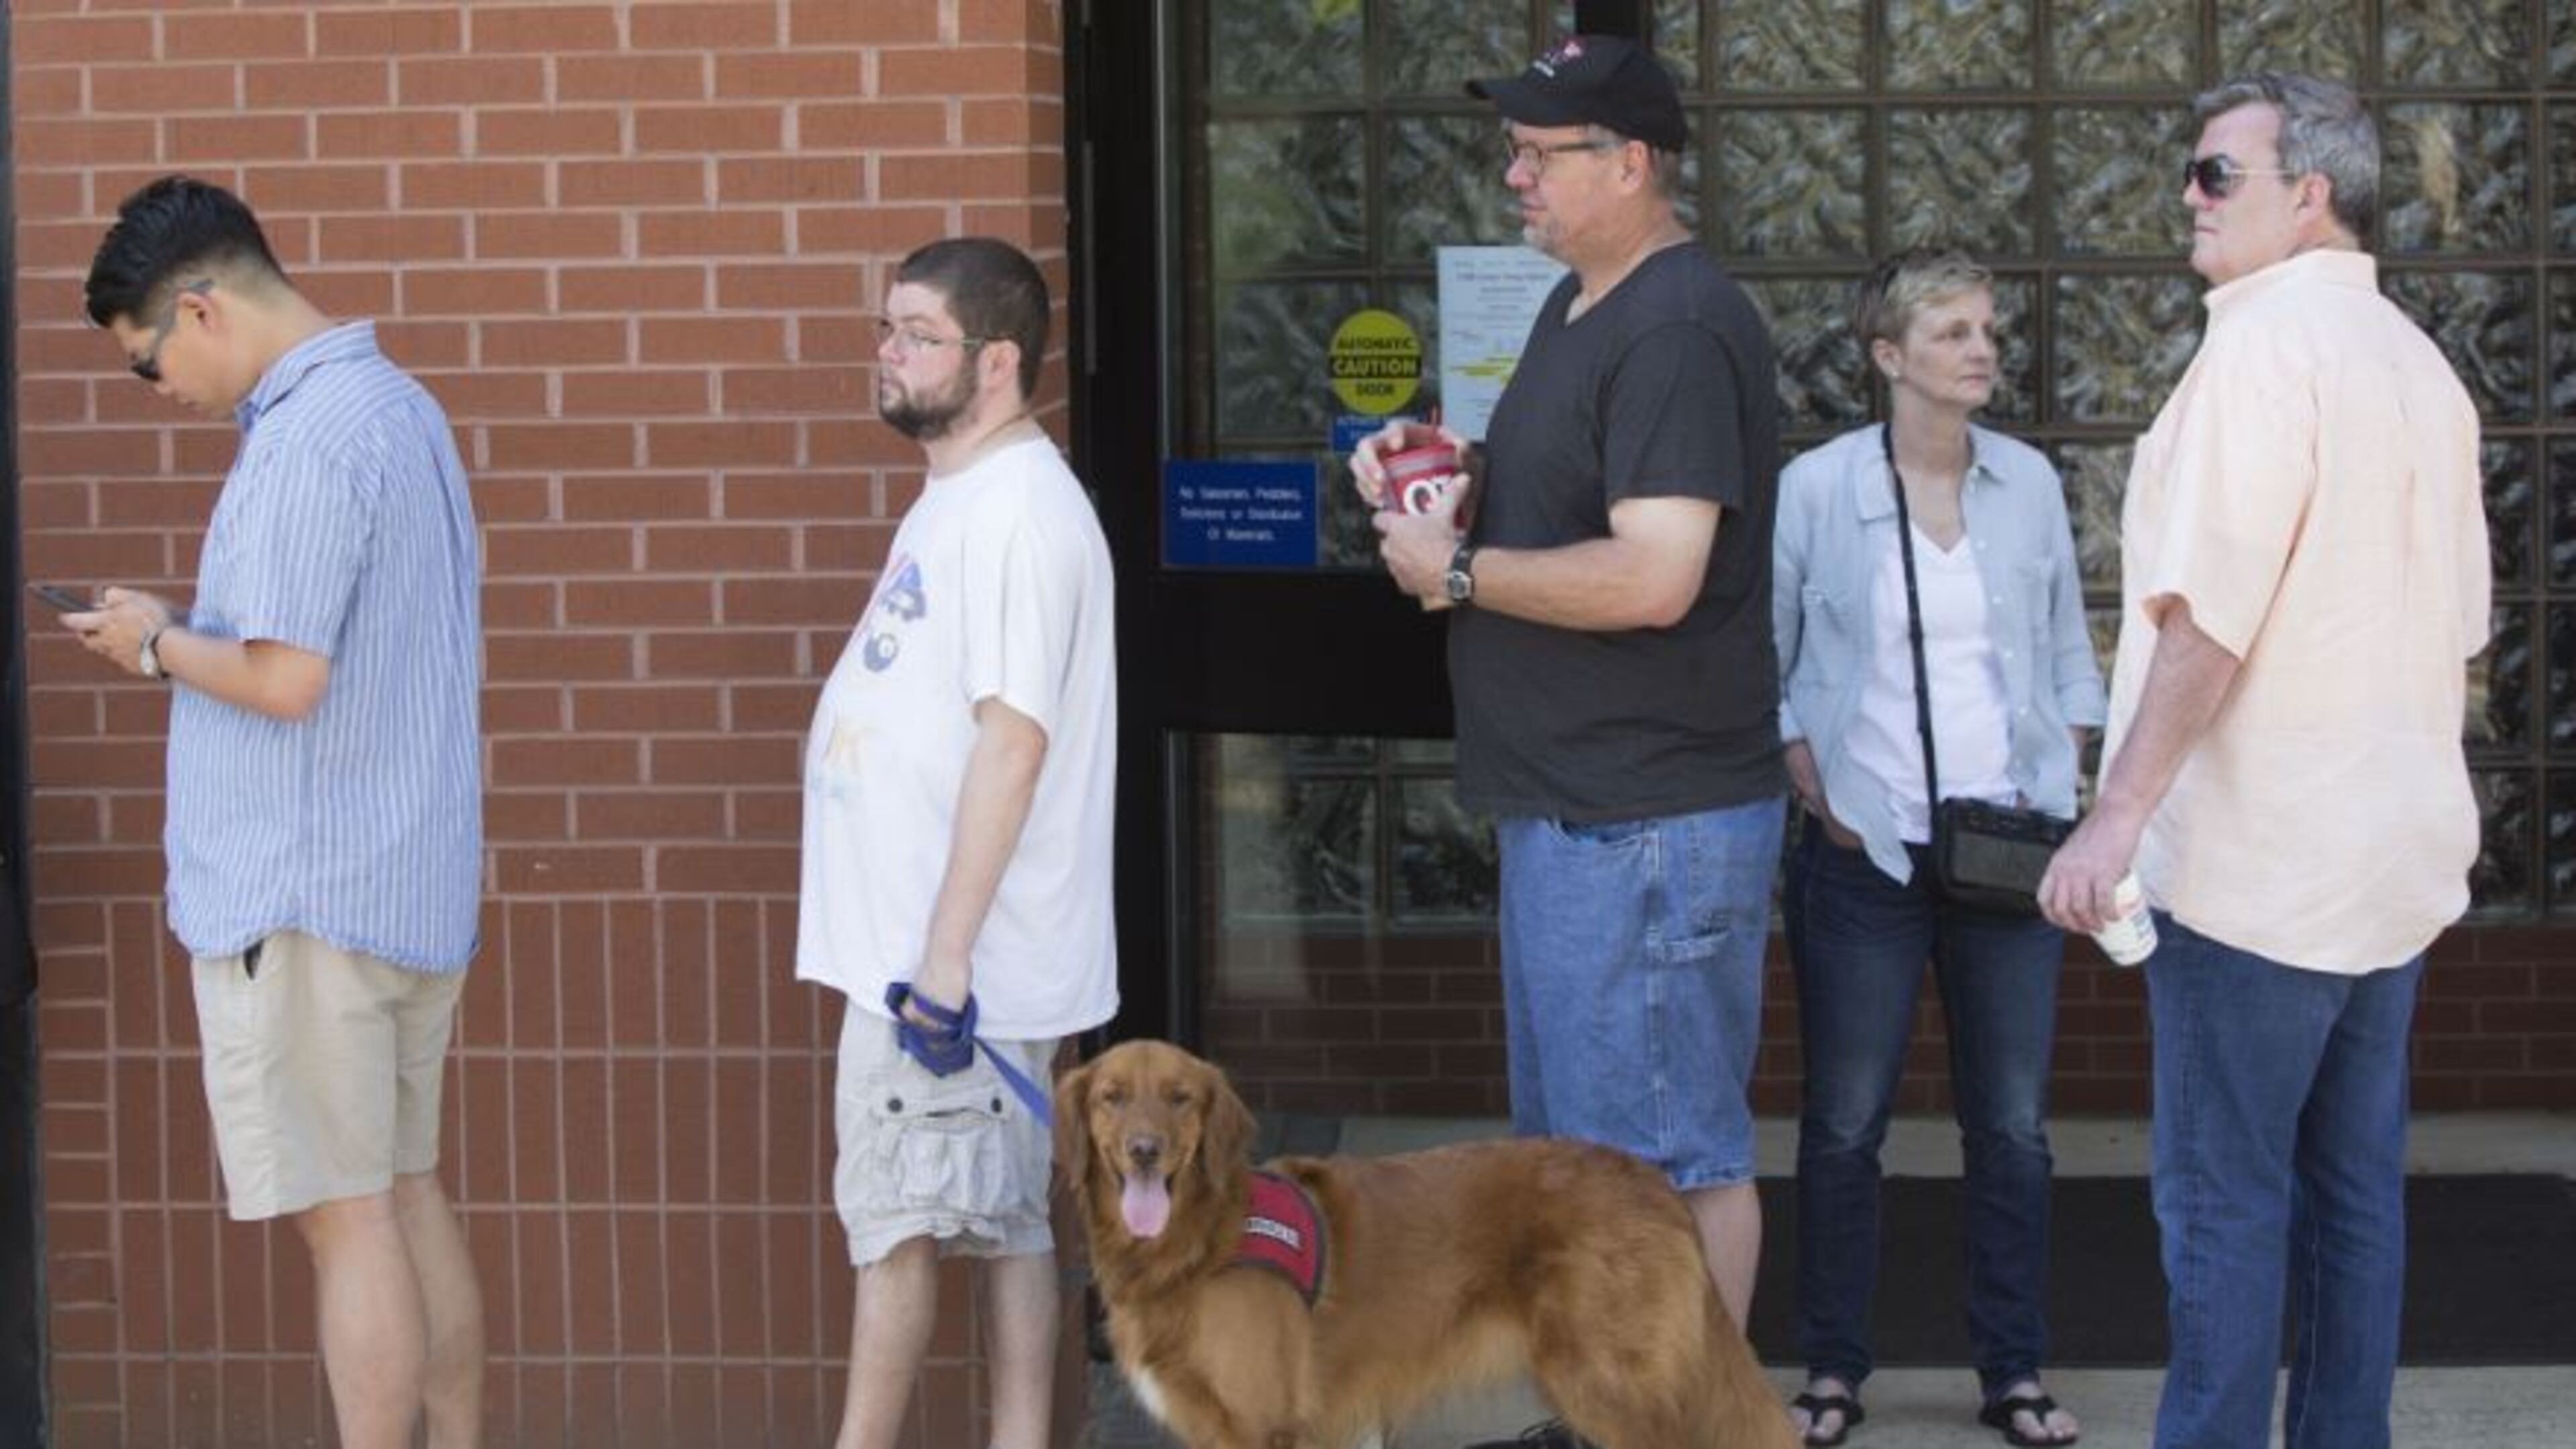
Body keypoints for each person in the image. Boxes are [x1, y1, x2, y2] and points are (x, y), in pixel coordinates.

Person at [2039, 74, 2489, 1449]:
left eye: (2217, 174)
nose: (2190, 194)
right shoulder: (2421, 366)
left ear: (2312, 194)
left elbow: (2209, 616)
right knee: (2354, 1204)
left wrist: (2115, 817)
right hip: (2389, 871)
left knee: (2226, 1208)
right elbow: (2465, 627)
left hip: (2260, 876)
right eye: (2192, 171)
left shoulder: (2259, 352)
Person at [1352, 32, 1786, 1345]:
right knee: (1587, 1160)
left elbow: (1658, 575)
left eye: (1543, 155)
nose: (1514, 179)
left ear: (1635, 162)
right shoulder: (1580, 305)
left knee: (1663, 1164)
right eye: (1515, 152)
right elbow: (1571, 504)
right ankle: (1610, 1413)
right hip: (1582, 815)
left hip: (1643, 820)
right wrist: (1443, 475)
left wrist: (1463, 571)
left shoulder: (1676, 327)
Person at [62, 176, 486, 1449]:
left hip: (304, 898)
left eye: (147, 365)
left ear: (200, 308)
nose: (161, 391)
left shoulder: (302, 441)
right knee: (405, 1196)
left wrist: (151, 645)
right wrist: (187, 639)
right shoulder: (401, 410)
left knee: (347, 1218)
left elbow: (287, 677)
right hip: (400, 883)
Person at [1772, 250, 2100, 1448]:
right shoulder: (1817, 489)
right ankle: (1833, 1372)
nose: (1982, 350)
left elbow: (2069, 648)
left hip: (2005, 851)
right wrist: (1806, 771)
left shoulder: (2028, 484)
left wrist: (2063, 766)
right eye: (1953, 332)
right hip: (1867, 852)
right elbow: (1769, 658)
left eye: (1988, 331)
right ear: (1887, 357)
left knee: (2010, 1126)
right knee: (1845, 1124)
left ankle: (2013, 1370)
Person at [797, 237, 1118, 1449]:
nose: (888, 354)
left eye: (915, 335)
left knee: (901, 1226)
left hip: (943, 970)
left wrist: (942, 960)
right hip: (940, 953)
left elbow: (1015, 742)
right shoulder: (967, 496)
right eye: (884, 329)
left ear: (996, 361)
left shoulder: (1022, 515)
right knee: (1000, 1222)